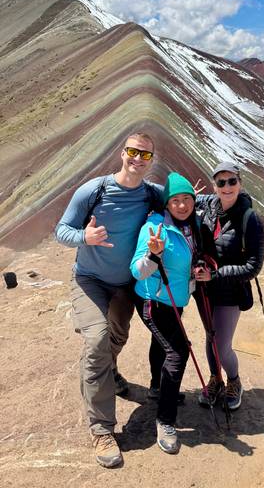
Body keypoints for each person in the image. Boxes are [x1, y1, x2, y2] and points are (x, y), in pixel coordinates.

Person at [55, 132, 163, 468]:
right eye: (133, 152)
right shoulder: (94, 190)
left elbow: (181, 202)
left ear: (151, 161)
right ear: (122, 153)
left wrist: (202, 200)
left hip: (124, 284)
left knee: (118, 336)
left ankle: (105, 369)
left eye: (145, 155)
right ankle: (102, 429)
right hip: (89, 280)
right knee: (99, 338)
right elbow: (61, 230)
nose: (137, 159)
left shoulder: (151, 194)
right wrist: (84, 236)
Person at [130, 172, 207, 454]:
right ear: (167, 204)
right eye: (176, 200)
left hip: (176, 300)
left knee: (160, 345)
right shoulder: (154, 227)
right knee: (178, 353)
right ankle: (165, 421)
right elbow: (136, 271)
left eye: (187, 199)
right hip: (153, 300)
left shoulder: (194, 224)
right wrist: (153, 255)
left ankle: (155, 387)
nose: (182, 205)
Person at [194, 161, 264, 411]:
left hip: (230, 291)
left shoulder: (250, 219)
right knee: (210, 336)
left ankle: (234, 382)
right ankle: (215, 379)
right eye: (221, 182)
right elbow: (187, 199)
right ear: (214, 186)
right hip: (204, 290)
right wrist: (189, 196)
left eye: (232, 181)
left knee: (222, 344)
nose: (227, 187)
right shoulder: (209, 205)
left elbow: (253, 266)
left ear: (240, 183)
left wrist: (215, 275)